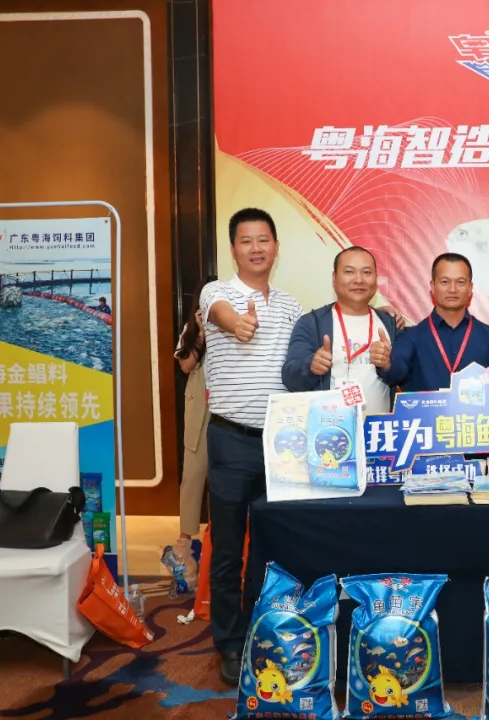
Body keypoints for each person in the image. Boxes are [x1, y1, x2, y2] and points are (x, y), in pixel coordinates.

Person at [200, 207, 303, 685]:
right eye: (246, 240)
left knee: (275, 545)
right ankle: (229, 641)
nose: (256, 248)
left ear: (276, 247)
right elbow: (224, 318)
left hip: (282, 444)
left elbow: (303, 360)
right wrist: (238, 324)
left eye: (264, 239)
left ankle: (271, 630)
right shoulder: (216, 293)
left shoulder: (291, 305)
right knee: (227, 549)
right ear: (233, 249)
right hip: (231, 440)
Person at [282, 247, 402, 413]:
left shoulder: (391, 324)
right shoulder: (311, 323)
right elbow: (290, 378)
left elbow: (405, 374)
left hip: (378, 427)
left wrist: (387, 365)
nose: (359, 280)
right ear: (334, 278)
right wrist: (310, 366)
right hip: (329, 426)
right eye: (349, 272)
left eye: (367, 272)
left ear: (376, 278)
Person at [375, 252, 489, 392]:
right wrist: (386, 364)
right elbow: (396, 372)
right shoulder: (411, 337)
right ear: (433, 286)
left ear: (470, 288)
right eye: (445, 282)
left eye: (460, 282)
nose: (452, 289)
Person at [170, 275, 217, 585]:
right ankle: (185, 543)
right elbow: (185, 366)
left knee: (227, 478)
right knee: (193, 474)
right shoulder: (191, 330)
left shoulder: (237, 324)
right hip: (200, 409)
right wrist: (200, 333)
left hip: (230, 409)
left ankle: (222, 541)